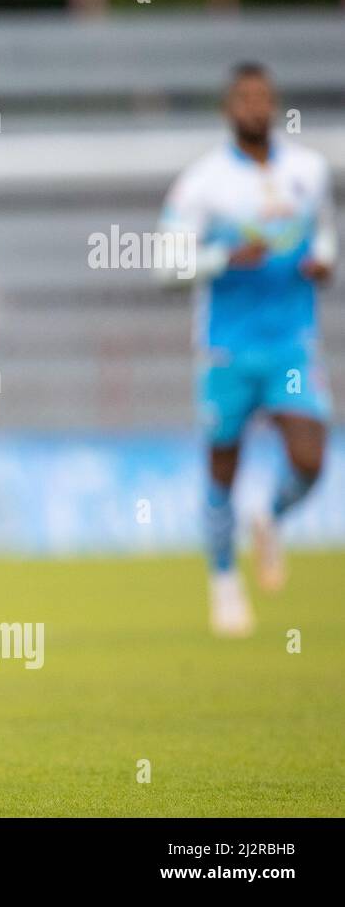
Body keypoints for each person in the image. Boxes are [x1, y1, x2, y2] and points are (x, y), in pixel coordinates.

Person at [156, 62, 335, 637]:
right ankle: (225, 582)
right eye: (244, 98)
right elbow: (166, 266)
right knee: (222, 469)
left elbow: (326, 232)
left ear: (274, 104)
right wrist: (221, 258)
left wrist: (325, 260)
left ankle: (271, 516)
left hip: (291, 344)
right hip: (226, 348)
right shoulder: (203, 183)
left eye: (263, 97)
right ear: (227, 109)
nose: (255, 107)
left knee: (310, 460)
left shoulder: (310, 170)